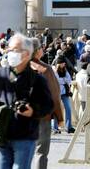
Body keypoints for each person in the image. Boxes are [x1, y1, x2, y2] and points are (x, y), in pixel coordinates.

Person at [0, 33, 54, 169]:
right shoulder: (3, 73)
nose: (11, 53)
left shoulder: (37, 79)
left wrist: (33, 111)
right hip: (3, 132)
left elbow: (49, 105)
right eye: (9, 50)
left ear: (27, 54)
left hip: (25, 135)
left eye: (15, 50)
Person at [30, 38, 63, 169]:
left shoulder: (18, 67)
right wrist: (59, 117)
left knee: (21, 151)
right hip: (42, 115)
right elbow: (54, 94)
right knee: (41, 152)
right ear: (37, 51)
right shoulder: (45, 69)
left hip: (21, 115)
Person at [52, 56, 75, 134]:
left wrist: (63, 81)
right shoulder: (54, 71)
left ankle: (69, 127)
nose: (64, 64)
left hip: (65, 92)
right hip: (56, 92)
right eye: (62, 63)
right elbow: (57, 80)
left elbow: (69, 79)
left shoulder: (65, 70)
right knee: (56, 110)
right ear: (59, 64)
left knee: (68, 108)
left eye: (64, 63)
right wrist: (64, 80)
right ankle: (54, 127)